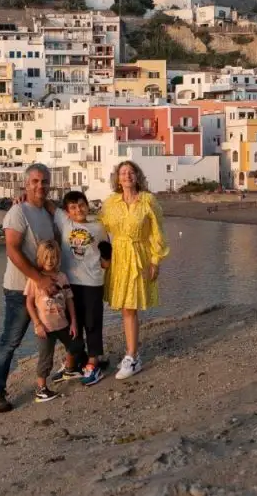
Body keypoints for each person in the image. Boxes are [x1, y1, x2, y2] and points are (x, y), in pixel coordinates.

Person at [0, 163, 58, 414]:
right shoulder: (17, 212)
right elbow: (12, 250)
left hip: (45, 289)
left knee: (52, 337)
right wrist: (38, 279)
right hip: (20, 290)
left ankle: (47, 382)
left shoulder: (48, 212)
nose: (40, 186)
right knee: (10, 342)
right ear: (26, 184)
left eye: (44, 182)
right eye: (35, 181)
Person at [98, 160, 170, 380]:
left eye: (130, 172)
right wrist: (104, 256)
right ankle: (131, 353)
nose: (127, 176)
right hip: (119, 257)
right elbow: (100, 229)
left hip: (139, 255)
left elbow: (157, 233)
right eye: (123, 173)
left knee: (130, 306)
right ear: (117, 178)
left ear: (137, 176)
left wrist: (156, 260)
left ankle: (132, 356)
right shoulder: (111, 202)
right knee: (124, 307)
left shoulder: (148, 201)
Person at [53, 190, 111, 386]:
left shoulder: (99, 227)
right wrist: (22, 197)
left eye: (81, 204)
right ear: (67, 211)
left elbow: (105, 260)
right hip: (69, 284)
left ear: (87, 205)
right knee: (71, 324)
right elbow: (45, 203)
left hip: (92, 282)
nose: (78, 209)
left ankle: (93, 364)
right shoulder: (64, 222)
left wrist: (106, 259)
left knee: (92, 323)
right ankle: (74, 363)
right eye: (73, 207)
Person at [24, 241, 82, 403]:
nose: (50, 261)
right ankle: (41, 389)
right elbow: (29, 303)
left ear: (58, 258)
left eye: (53, 257)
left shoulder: (62, 277)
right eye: (46, 257)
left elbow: (69, 299)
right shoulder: (35, 279)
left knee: (75, 345)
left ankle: (69, 369)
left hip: (62, 324)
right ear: (40, 258)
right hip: (45, 327)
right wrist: (37, 323)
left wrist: (73, 322)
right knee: (45, 358)